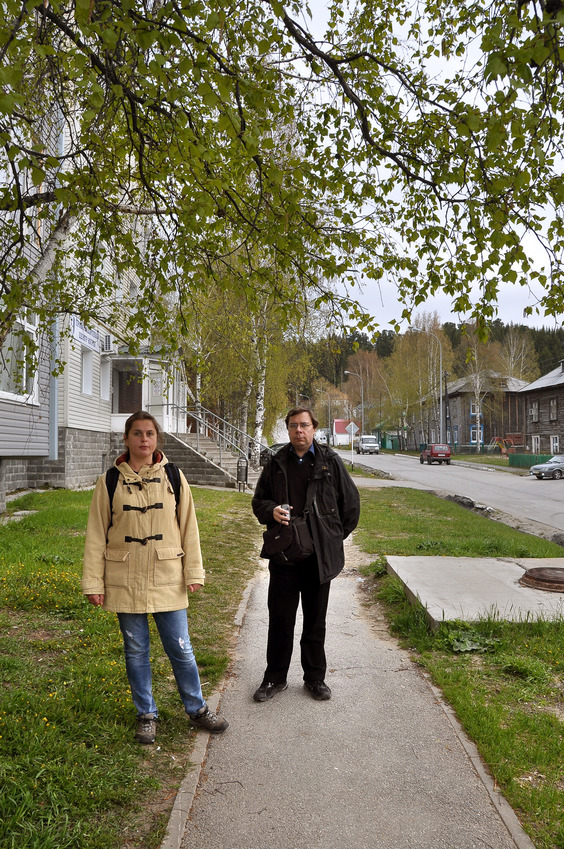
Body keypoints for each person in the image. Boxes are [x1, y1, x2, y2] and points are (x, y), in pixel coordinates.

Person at [82, 410, 228, 743]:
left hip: (167, 575)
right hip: (125, 576)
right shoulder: (109, 481)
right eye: (137, 433)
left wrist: (194, 571)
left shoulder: (174, 477)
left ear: (157, 438)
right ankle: (146, 714)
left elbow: (189, 527)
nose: (143, 440)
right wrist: (93, 582)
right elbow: (95, 535)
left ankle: (197, 709)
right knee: (136, 652)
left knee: (181, 648)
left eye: (149, 433)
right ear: (126, 438)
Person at [252, 407, 360, 702]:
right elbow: (258, 501)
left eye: (304, 425)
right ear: (288, 430)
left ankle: (315, 678)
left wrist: (331, 539)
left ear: (314, 429)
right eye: (293, 426)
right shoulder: (277, 462)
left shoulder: (330, 462)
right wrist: (270, 511)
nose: (299, 431)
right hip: (284, 557)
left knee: (315, 620)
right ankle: (274, 678)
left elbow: (350, 506)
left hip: (317, 560)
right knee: (280, 620)